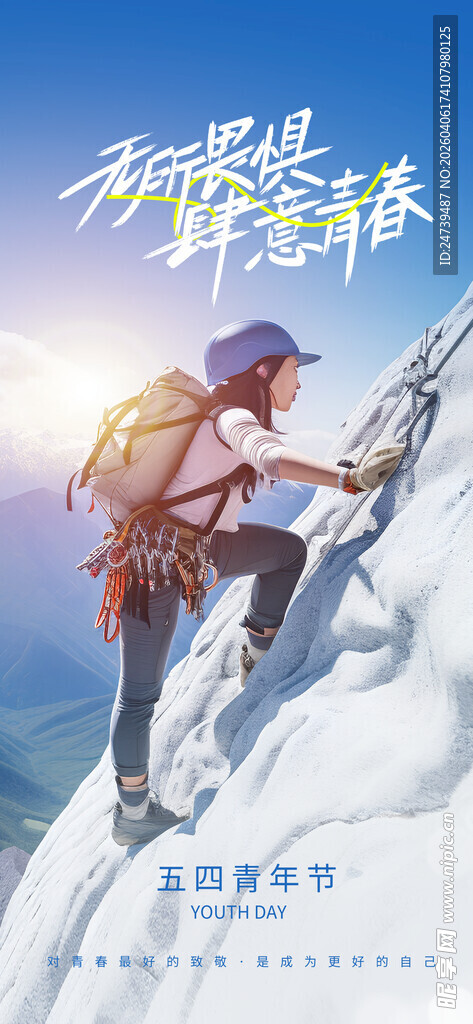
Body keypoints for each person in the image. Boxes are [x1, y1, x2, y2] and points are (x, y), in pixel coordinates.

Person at [109, 320, 381, 846]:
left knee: (286, 552)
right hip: (157, 570)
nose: (299, 382)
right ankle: (132, 812)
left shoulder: (220, 417)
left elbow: (255, 470)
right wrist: (347, 479)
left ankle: (255, 659)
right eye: (293, 368)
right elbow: (268, 455)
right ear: (262, 369)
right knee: (139, 696)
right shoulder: (230, 417)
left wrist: (336, 466)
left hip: (203, 547)